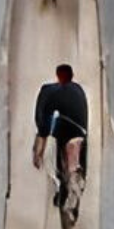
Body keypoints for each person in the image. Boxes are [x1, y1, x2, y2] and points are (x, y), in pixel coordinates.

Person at [32, 60, 89, 208]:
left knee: (58, 161)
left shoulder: (49, 92)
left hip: (66, 133)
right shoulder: (78, 89)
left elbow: (43, 128)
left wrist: (38, 153)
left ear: (57, 76)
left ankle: (66, 185)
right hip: (81, 132)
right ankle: (75, 179)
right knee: (73, 158)